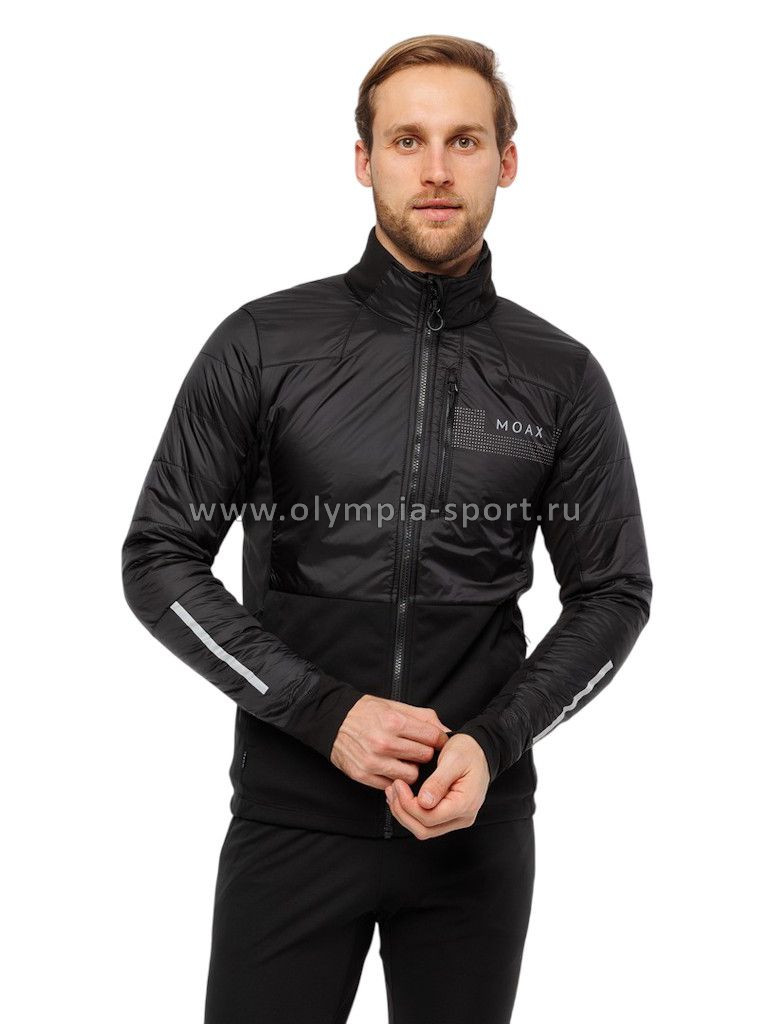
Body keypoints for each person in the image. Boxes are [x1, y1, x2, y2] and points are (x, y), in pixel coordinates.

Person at [122, 33, 652, 1024]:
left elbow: (614, 594)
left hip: (474, 829)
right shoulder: (264, 345)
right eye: (408, 140)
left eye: (465, 140)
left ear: (507, 161)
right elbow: (158, 558)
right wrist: (325, 714)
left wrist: (493, 743)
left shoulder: (561, 376)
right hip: (293, 820)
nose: (437, 169)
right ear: (364, 161)